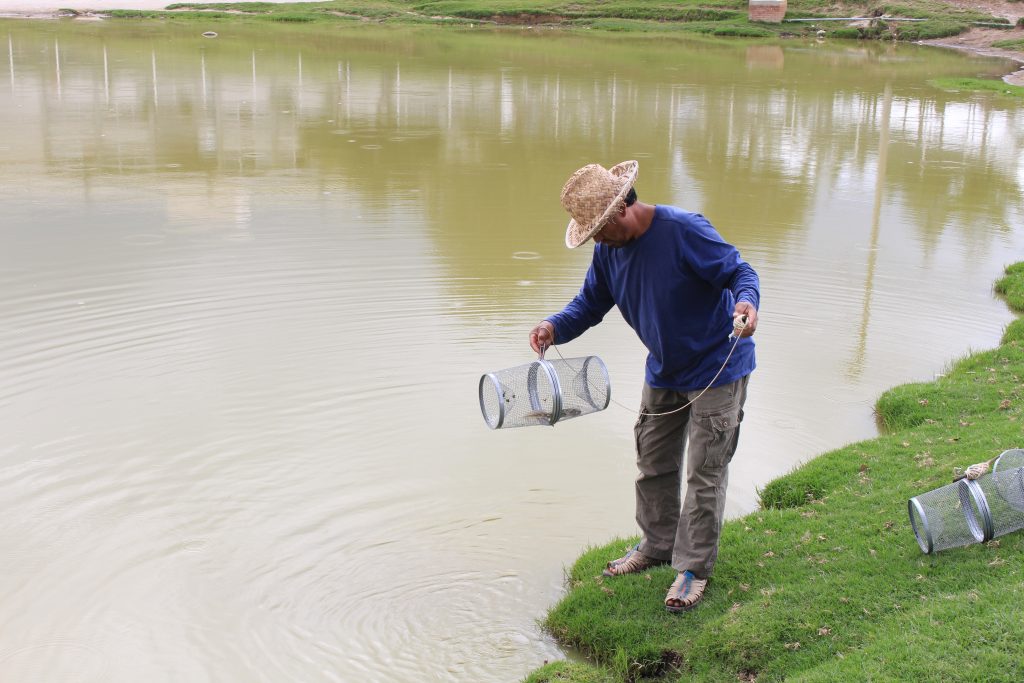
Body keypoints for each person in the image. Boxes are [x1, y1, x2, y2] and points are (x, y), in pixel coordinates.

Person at [529, 160, 759, 613]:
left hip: (718, 365)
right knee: (652, 462)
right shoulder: (609, 250)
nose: (595, 239)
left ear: (619, 212)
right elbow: (591, 303)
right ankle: (656, 545)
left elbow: (740, 273)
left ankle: (692, 568)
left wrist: (748, 305)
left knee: (704, 471)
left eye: (597, 229)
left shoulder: (683, 230)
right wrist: (554, 326)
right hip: (665, 369)